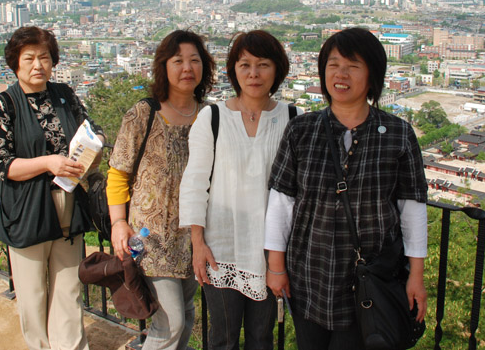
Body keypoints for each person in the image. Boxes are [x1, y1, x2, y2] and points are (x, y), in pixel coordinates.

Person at [265, 27, 428, 350]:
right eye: (333, 64)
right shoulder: (302, 130)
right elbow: (282, 202)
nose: (341, 74)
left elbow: (412, 209)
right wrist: (276, 267)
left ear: (372, 76)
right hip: (309, 273)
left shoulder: (397, 134)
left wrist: (416, 275)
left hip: (371, 279)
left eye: (353, 65)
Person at [179, 30, 300, 350]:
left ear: (277, 70)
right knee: (222, 338)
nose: (254, 73)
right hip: (220, 249)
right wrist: (197, 242)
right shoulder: (213, 116)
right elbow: (195, 182)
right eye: (244, 65)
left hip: (270, 253)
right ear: (233, 69)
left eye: (263, 65)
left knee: (262, 339)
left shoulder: (292, 118)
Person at [0, 26, 105, 350]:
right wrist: (48, 162)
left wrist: (92, 150)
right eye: (30, 58)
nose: (38, 65)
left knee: (69, 290)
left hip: (68, 205)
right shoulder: (4, 104)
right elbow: (2, 165)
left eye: (44, 57)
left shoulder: (64, 95)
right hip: (27, 210)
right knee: (33, 294)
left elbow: (91, 130)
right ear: (15, 63)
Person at [107, 30, 216, 350]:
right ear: (163, 67)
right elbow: (118, 173)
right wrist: (118, 223)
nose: (187, 68)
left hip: (192, 238)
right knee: (171, 322)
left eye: (194, 60)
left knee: (186, 315)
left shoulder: (210, 115)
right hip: (151, 237)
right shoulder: (144, 113)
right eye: (178, 60)